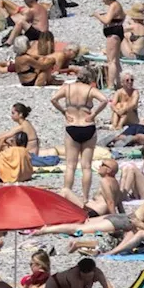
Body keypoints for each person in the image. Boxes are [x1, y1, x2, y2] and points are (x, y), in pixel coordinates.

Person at [51, 68, 109, 202]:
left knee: (70, 165)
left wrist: (64, 112)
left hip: (72, 127)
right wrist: (94, 114)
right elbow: (105, 100)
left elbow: (53, 99)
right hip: (87, 126)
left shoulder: (67, 88)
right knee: (86, 166)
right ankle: (85, 198)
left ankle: (66, 194)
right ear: (89, 79)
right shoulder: (89, 90)